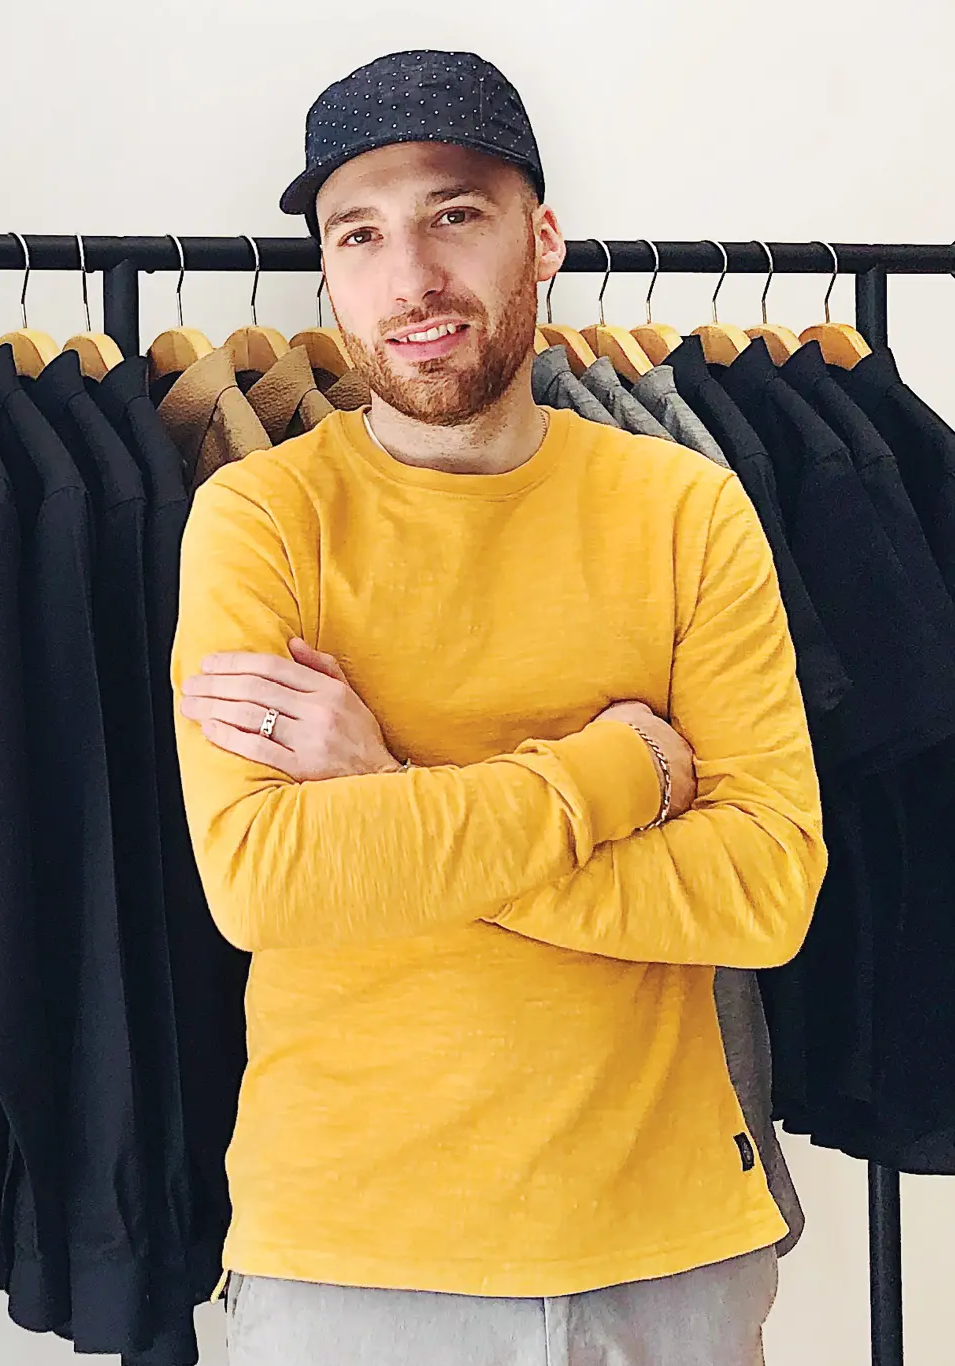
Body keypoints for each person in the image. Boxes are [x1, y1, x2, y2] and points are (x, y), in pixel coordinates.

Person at [172, 50, 824, 1366]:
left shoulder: (686, 513)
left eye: (454, 214)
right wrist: (609, 781)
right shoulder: (262, 516)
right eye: (359, 233)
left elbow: (764, 889)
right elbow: (264, 881)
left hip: (671, 1255)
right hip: (351, 1261)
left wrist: (385, 792)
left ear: (542, 238)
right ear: (326, 275)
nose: (407, 276)